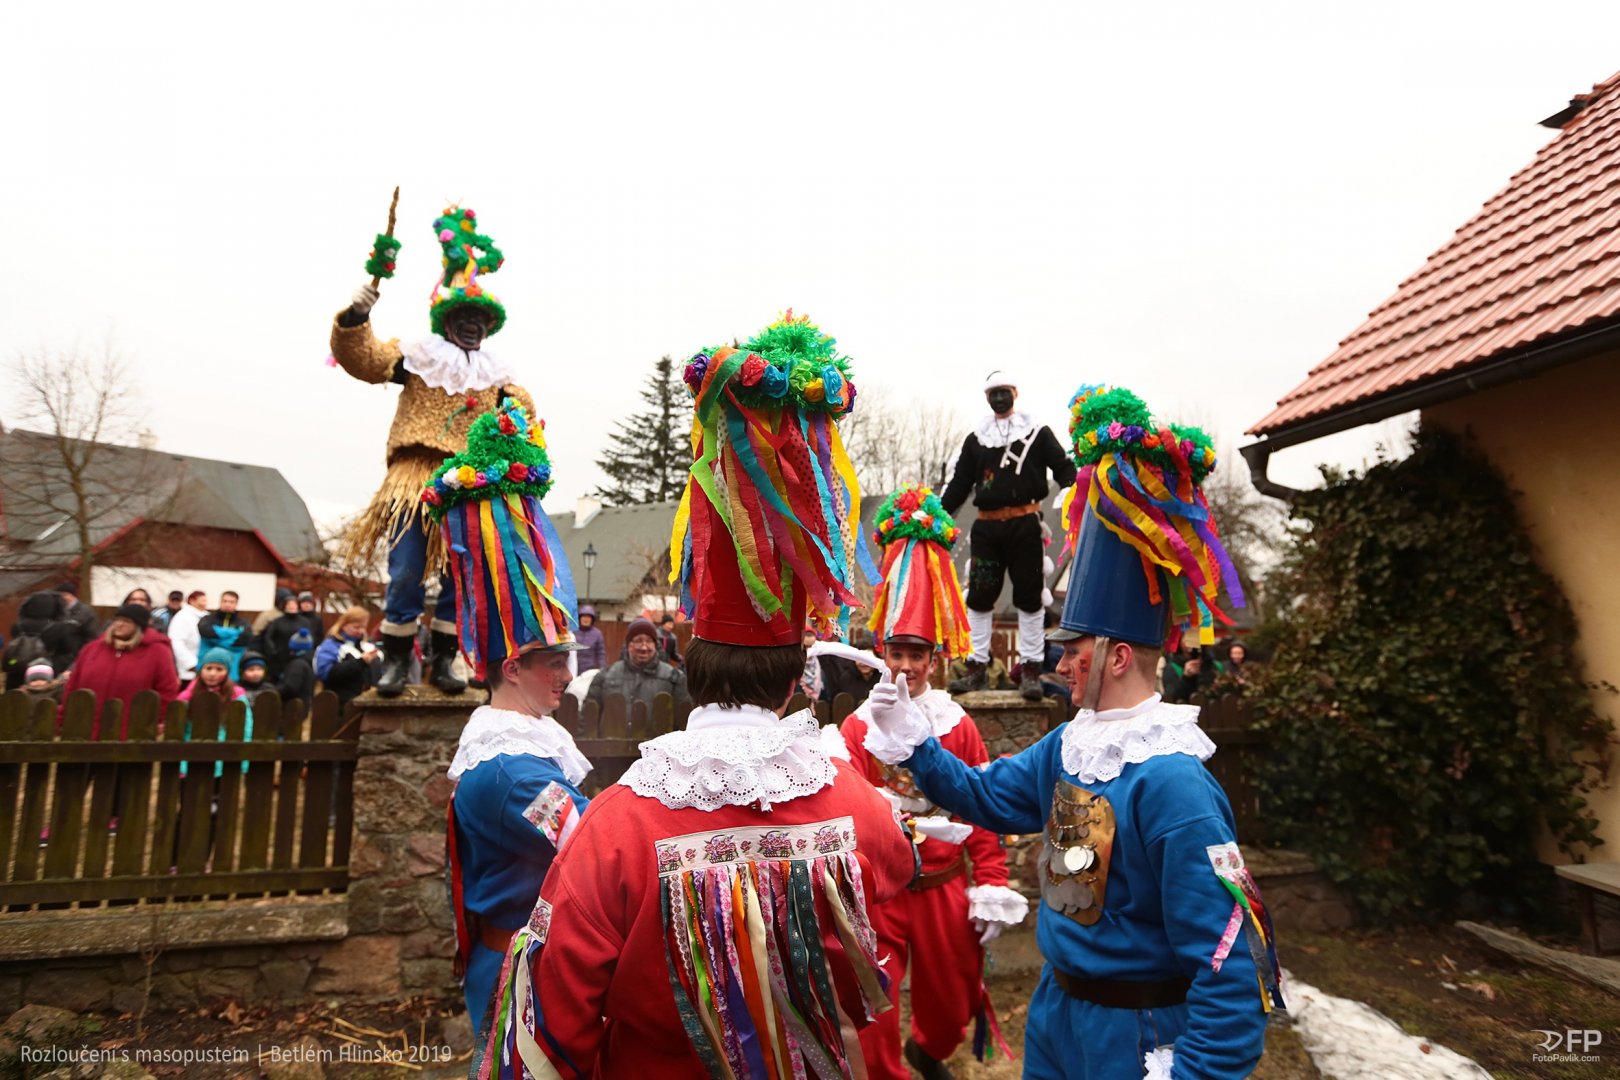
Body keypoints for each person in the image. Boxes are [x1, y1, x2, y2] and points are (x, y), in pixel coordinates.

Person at [483, 312, 917, 1077]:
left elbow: (550, 1026)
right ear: (799, 671)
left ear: (685, 659)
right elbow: (894, 911)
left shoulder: (616, 826)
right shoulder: (860, 809)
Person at [863, 385, 1281, 1080]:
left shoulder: (1174, 784)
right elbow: (988, 797)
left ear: (1117, 657)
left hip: (1135, 1034)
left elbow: (1232, 959)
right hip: (1058, 1017)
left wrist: (1194, 1073)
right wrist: (916, 744)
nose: (1057, 664)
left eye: (1073, 650)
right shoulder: (1072, 744)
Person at [841, 484, 1029, 1079]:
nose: (905, 666)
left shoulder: (956, 723)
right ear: (881, 652)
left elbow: (980, 806)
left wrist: (990, 878)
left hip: (945, 885)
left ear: (933, 659)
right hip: (882, 892)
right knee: (872, 1007)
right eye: (896, 652)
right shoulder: (855, 727)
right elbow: (844, 812)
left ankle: (928, 1049)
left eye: (916, 655)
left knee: (952, 1002)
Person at [422, 402, 593, 1036]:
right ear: (514, 667)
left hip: (531, 963)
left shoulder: (521, 749)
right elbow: (589, 842)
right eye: (553, 662)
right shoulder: (514, 773)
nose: (567, 674)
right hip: (521, 975)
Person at [331, 205, 536, 698]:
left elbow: (526, 428)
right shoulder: (418, 357)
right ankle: (396, 659)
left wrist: (516, 447)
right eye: (464, 317)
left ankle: (445, 658)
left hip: (468, 484)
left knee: (459, 574)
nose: (472, 326)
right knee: (406, 570)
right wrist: (357, 316)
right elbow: (363, 359)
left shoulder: (500, 378)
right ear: (447, 320)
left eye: (480, 320)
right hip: (414, 478)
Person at [941, 371, 1077, 700]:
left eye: (1004, 392)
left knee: (1030, 598)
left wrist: (1079, 492)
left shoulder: (1037, 433)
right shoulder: (976, 439)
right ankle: (976, 667)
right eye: (993, 393)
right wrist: (935, 515)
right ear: (987, 398)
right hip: (986, 529)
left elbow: (1064, 469)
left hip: (1026, 525)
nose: (999, 398)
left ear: (1015, 393)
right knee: (979, 597)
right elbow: (960, 484)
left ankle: (1030, 670)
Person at [60, 603, 180, 734]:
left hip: (132, 731)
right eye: (117, 620)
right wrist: (66, 715)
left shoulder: (157, 651)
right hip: (87, 729)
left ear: (139, 625)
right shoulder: (92, 649)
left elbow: (167, 689)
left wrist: (156, 721)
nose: (119, 624)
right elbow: (72, 685)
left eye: (126, 621)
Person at [176, 646, 254, 778]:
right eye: (208, 668)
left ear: (227, 672)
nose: (212, 674)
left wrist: (244, 759)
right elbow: (178, 727)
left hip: (223, 758)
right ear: (201, 670)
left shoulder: (236, 696)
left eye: (219, 669)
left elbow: (246, 727)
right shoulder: (188, 696)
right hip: (192, 755)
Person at [585, 617, 689, 714]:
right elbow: (588, 718)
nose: (644, 647)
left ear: (655, 645)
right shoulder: (604, 677)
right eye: (638, 641)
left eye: (649, 641)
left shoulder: (675, 679)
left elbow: (683, 720)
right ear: (628, 645)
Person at [314, 607, 378, 709]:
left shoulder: (368, 646)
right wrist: (360, 662)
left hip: (369, 705)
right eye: (356, 627)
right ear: (344, 625)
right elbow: (326, 674)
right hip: (341, 706)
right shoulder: (331, 646)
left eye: (363, 627)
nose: (360, 631)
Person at [819, 626, 882, 706]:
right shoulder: (846, 678)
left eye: (868, 659)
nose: (864, 663)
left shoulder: (882, 678)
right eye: (860, 659)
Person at [198, 591, 253, 680]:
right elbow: (206, 631)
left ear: (236, 604)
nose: (227, 604)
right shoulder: (207, 619)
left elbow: (245, 639)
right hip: (207, 668)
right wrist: (234, 633)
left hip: (233, 669)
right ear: (220, 602)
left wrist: (217, 637)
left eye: (231, 602)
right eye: (225, 601)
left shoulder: (244, 623)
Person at [168, 590, 209, 684]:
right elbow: (176, 642)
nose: (205, 603)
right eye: (202, 600)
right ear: (192, 601)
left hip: (206, 669)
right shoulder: (182, 617)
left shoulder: (207, 617)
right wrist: (192, 664)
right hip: (189, 672)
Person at [572, 604, 606, 674]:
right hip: (574, 669)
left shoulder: (597, 634)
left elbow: (601, 654)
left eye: (588, 617)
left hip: (590, 671)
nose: (586, 619)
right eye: (584, 616)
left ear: (592, 619)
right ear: (579, 618)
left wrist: (603, 670)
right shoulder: (573, 632)